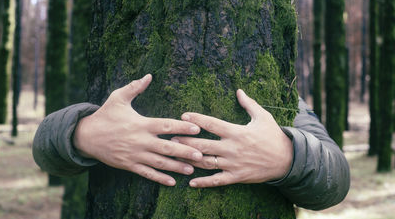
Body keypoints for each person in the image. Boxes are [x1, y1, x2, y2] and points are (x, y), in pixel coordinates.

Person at [33, 74, 350, 211]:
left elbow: (336, 181)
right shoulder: (117, 66)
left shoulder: (277, 90)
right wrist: (83, 134)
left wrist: (287, 156)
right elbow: (43, 147)